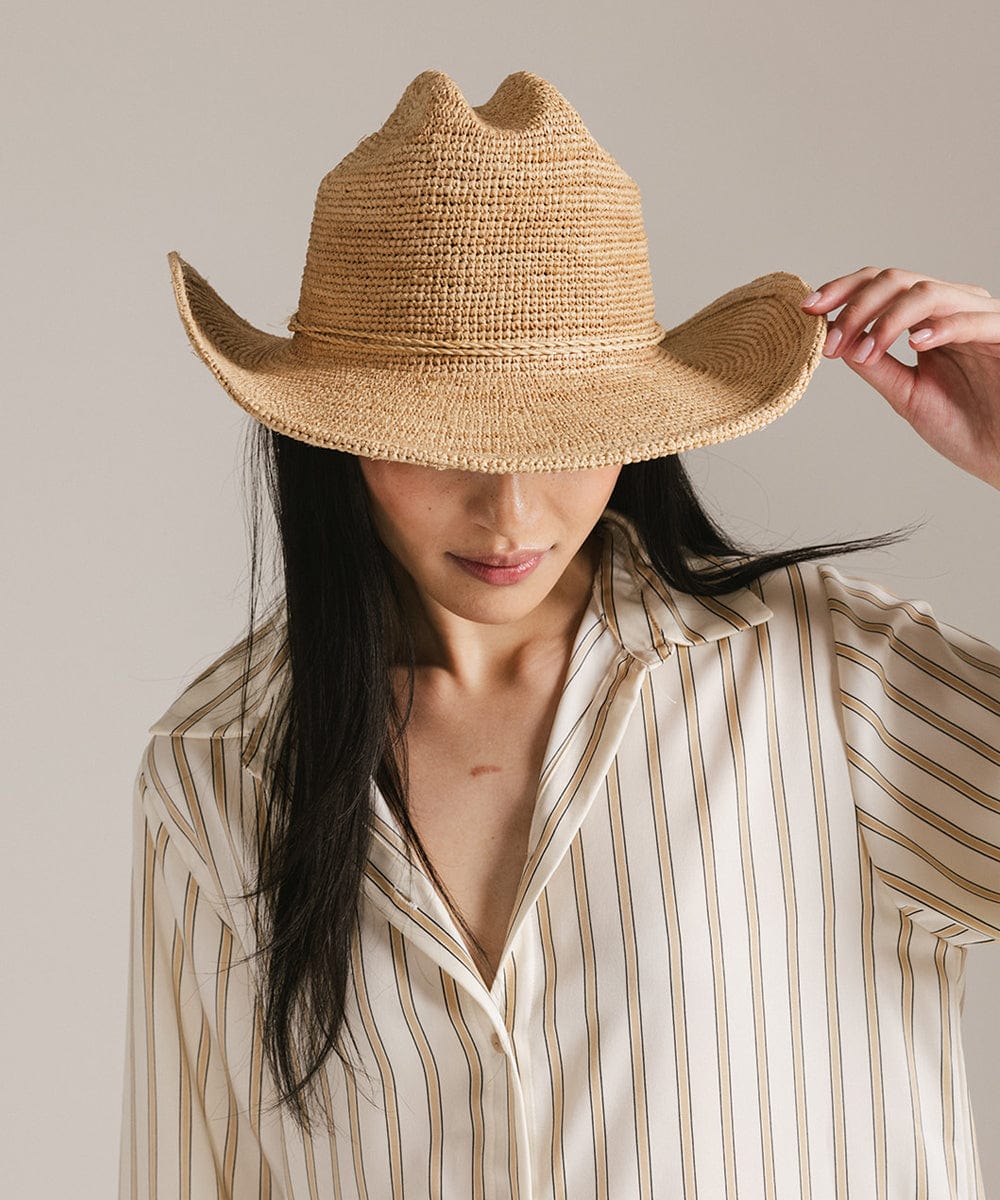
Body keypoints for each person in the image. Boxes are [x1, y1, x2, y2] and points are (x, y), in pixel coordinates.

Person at [119, 69, 1000, 1199]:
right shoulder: (211, 768)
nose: (511, 513)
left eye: (569, 436)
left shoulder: (825, 684)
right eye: (437, 441)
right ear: (327, 436)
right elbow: (187, 1169)